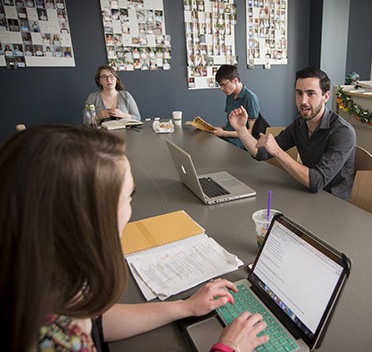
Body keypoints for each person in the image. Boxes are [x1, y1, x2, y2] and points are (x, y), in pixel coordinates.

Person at [0, 125, 269, 352]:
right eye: (129, 196)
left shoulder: (42, 281)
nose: (131, 210)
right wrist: (227, 348)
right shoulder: (58, 342)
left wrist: (184, 307)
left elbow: (96, 320)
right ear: (91, 219)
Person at [229, 67, 356, 200]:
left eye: (311, 93)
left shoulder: (343, 132)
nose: (303, 101)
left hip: (334, 203)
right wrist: (241, 129)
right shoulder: (299, 124)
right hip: (305, 193)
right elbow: (261, 153)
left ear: (325, 97)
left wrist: (277, 152)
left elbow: (317, 181)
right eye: (299, 93)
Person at [213, 64, 268, 149]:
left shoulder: (250, 98)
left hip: (240, 142)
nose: (221, 88)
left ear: (235, 80)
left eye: (223, 84)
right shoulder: (230, 95)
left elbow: (250, 132)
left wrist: (223, 133)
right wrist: (216, 129)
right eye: (220, 85)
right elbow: (230, 125)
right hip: (228, 138)